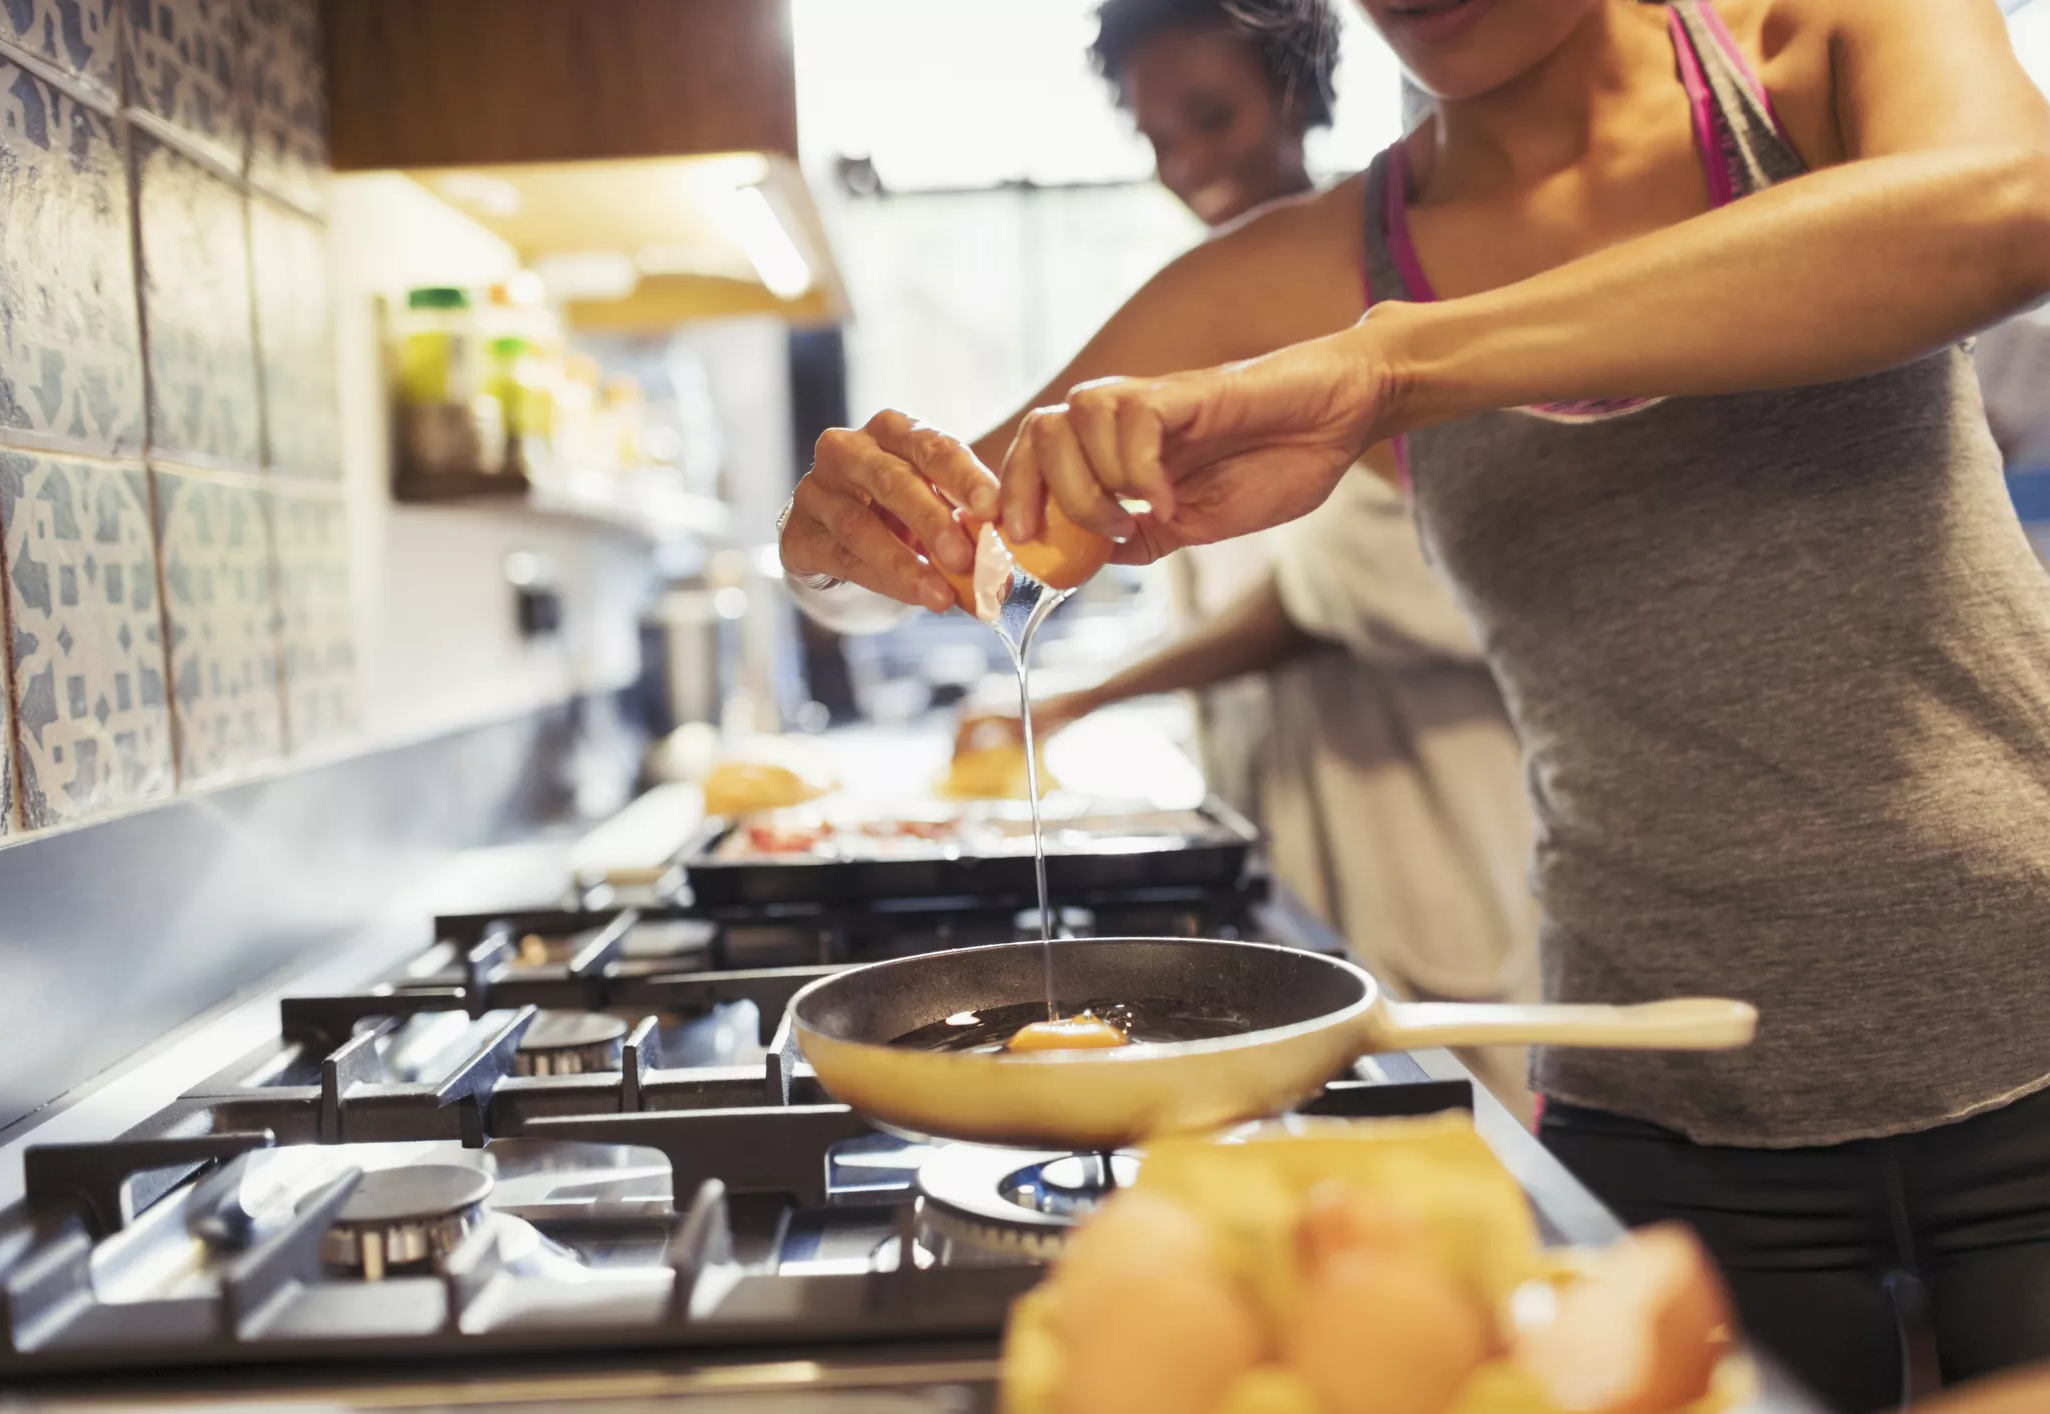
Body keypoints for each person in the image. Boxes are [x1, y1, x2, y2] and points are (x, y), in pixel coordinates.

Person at [778, 0, 2050, 1407]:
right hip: (1664, 1101)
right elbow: (939, 544)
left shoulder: (1815, 43)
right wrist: (829, 540)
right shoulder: (1303, 265)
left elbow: (2007, 206)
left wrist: (1396, 362)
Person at [793, 0, 1543, 1114]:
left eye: (1211, 114)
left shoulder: (1406, 287)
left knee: (1451, 1126)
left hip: (1433, 826)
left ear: (1297, 89)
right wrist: (833, 540)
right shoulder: (1215, 301)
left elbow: (1321, 600)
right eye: (1157, 139)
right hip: (1298, 820)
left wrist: (1086, 695)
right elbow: (981, 503)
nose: (1187, 161)